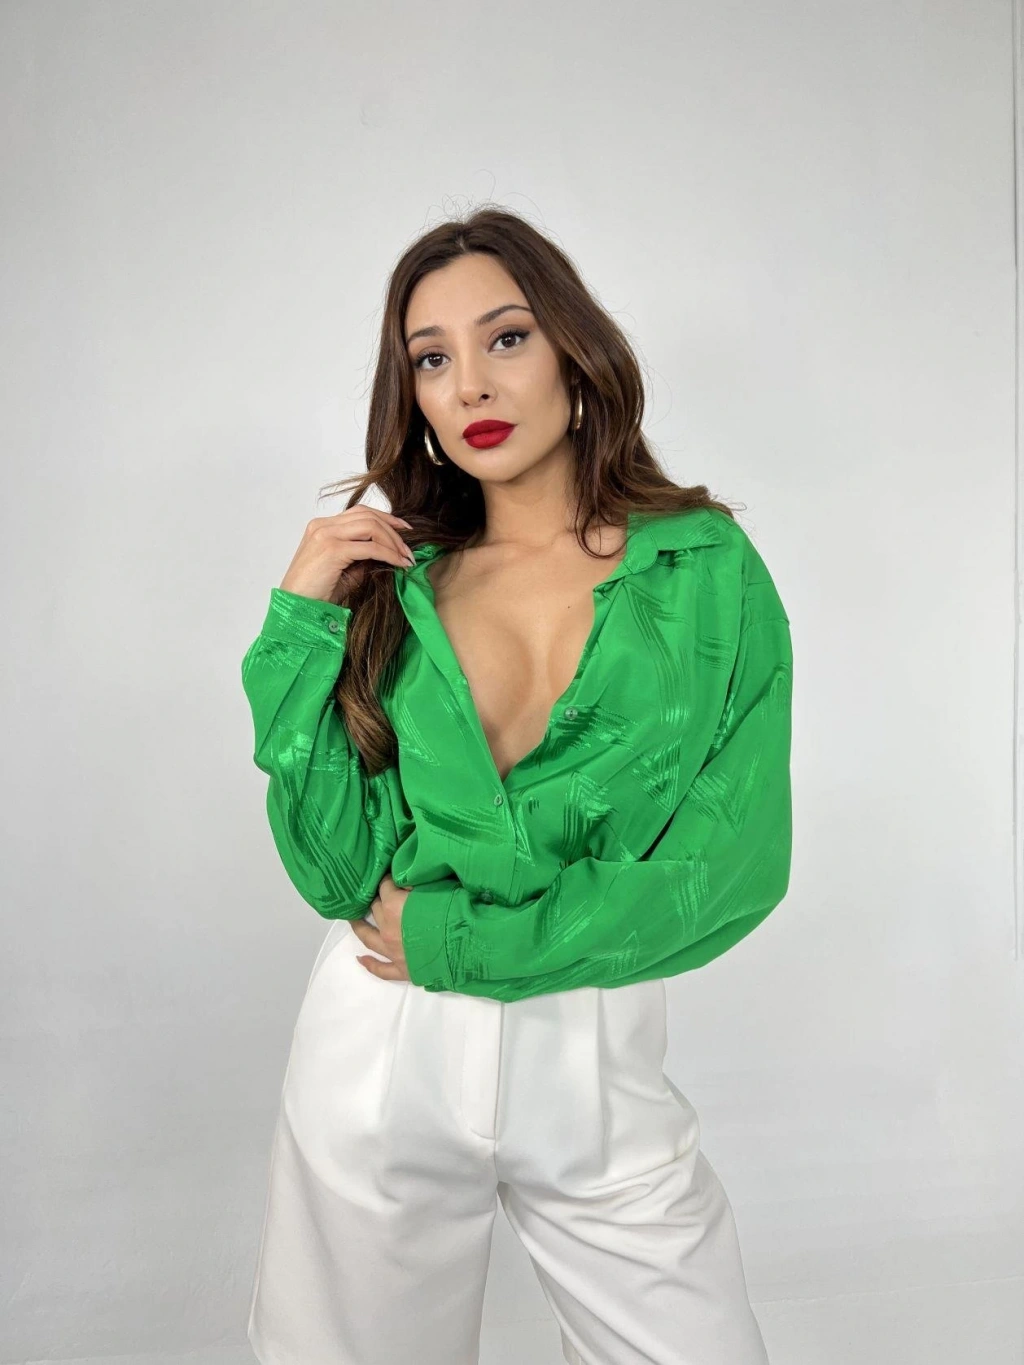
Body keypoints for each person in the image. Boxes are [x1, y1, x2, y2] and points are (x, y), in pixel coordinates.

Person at [240, 206, 793, 1365]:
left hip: (587, 1052)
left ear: (573, 358)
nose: (471, 384)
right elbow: (337, 872)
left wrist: (462, 940)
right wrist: (298, 621)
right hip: (381, 1050)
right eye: (430, 359)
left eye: (505, 338)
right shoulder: (400, 587)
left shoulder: (701, 568)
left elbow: (734, 868)